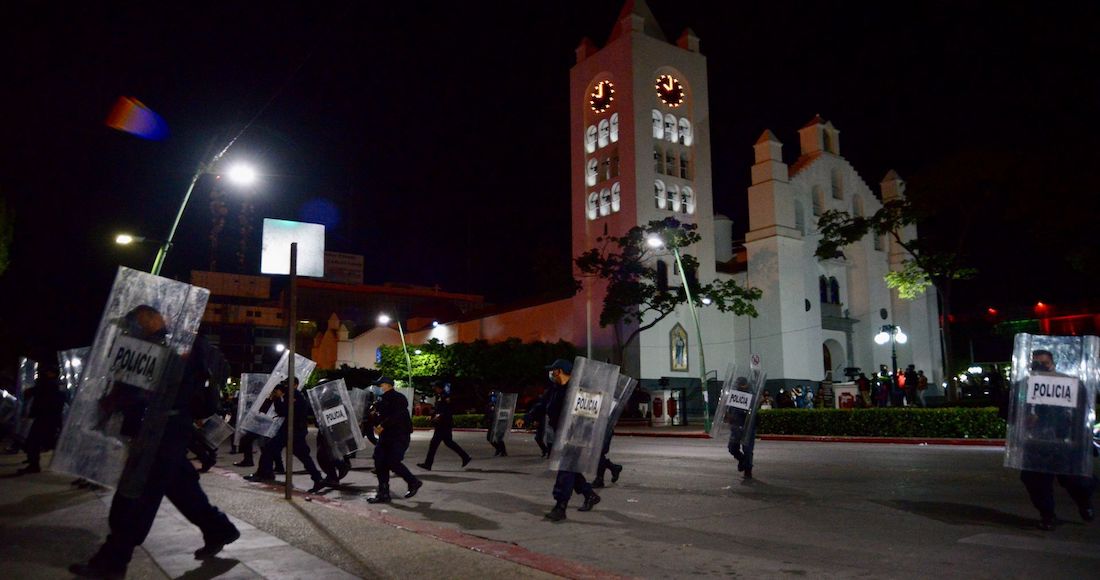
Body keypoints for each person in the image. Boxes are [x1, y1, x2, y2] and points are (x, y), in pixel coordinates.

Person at [69, 329, 240, 578]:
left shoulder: (182, 347)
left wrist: (120, 398)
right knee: (182, 489)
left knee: (136, 496)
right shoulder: (163, 342)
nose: (137, 321)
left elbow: (155, 388)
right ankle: (219, 529)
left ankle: (113, 561)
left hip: (162, 430)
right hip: (161, 430)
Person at [1010, 349, 1096, 530]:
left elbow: (1083, 413)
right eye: (1036, 365)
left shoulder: (1070, 384)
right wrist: (1023, 419)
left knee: (1078, 481)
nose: (1041, 368)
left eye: (1044, 364)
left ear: (1053, 364)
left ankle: (1084, 503)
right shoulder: (1023, 386)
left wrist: (1079, 436)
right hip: (1035, 443)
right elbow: (1010, 412)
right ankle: (1047, 515)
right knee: (1035, 481)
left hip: (1064, 442)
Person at [532, 359, 600, 522]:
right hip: (560, 434)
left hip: (576, 436)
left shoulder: (578, 390)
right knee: (571, 470)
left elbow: (589, 414)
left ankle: (560, 506)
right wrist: (528, 417)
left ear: (559, 371)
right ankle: (589, 494)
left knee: (565, 470)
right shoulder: (555, 389)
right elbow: (542, 405)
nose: (551, 373)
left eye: (553, 370)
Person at [245, 378, 325, 494]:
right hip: (292, 431)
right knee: (272, 450)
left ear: (295, 385)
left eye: (288, 384)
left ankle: (264, 473)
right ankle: (317, 478)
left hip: (293, 431)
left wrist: (277, 399)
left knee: (271, 450)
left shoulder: (295, 396)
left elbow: (283, 411)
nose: (286, 386)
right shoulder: (293, 395)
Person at [366, 376, 422, 503]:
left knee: (392, 461)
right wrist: (373, 418)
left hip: (399, 435)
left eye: (379, 385)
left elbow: (397, 416)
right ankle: (383, 493)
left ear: (387, 385)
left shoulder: (398, 398)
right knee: (380, 461)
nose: (377, 388)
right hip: (386, 436)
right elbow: (378, 417)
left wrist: (382, 425)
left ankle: (413, 482)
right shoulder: (381, 399)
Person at [17, 365, 65, 475]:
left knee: (34, 441)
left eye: (48, 372)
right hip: (47, 417)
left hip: (46, 417)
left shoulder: (51, 384)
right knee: (35, 441)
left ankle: (34, 464)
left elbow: (37, 394)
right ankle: (33, 461)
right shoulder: (53, 384)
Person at [417, 380, 471, 471]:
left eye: (435, 387)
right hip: (442, 423)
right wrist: (433, 415)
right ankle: (465, 457)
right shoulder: (440, 396)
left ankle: (428, 464)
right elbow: (438, 409)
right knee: (448, 442)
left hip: (443, 424)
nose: (433, 388)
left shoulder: (445, 396)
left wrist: (439, 416)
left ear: (439, 387)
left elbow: (447, 410)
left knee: (434, 444)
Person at [726, 376, 756, 479]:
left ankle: (748, 470)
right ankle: (742, 460)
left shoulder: (751, 396)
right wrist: (729, 415)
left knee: (747, 449)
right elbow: (729, 409)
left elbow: (752, 411)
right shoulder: (734, 394)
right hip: (736, 426)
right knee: (732, 448)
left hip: (748, 426)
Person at [486, 392, 507, 456]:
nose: (492, 398)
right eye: (492, 397)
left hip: (499, 423)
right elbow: (489, 413)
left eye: (494, 397)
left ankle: (503, 451)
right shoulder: (490, 405)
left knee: (498, 438)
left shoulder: (501, 405)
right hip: (492, 423)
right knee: (489, 438)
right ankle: (498, 449)